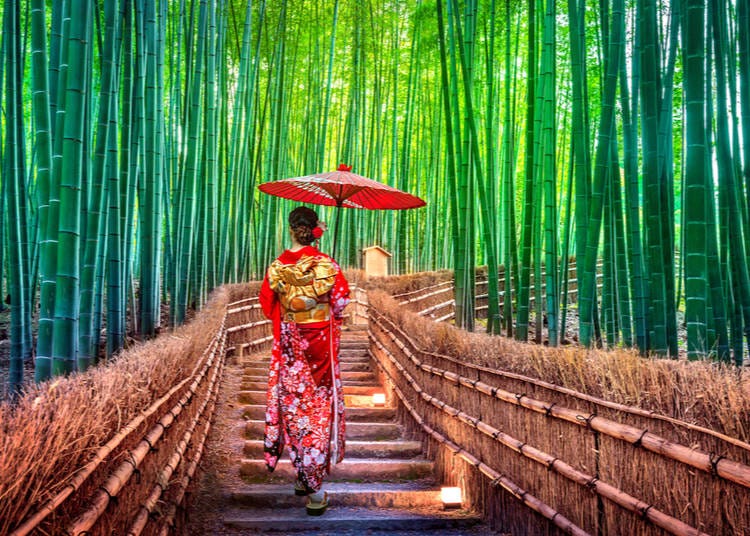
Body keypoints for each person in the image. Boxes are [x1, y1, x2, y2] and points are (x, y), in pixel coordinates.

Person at [259, 206, 350, 516]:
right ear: (315, 229)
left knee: (293, 406)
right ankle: (315, 491)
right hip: (319, 347)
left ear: (290, 228)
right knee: (316, 411)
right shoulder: (327, 264)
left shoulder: (277, 265)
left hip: (289, 346)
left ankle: (302, 475)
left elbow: (266, 304)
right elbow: (339, 303)